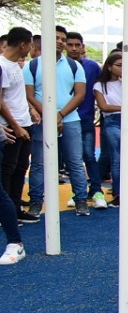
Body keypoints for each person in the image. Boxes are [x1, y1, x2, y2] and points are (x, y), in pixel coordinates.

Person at [24, 24, 90, 217]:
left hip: (70, 120)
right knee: (38, 163)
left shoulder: (75, 65)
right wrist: (49, 116)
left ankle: (81, 201)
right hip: (42, 121)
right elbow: (29, 95)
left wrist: (59, 116)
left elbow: (80, 94)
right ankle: (36, 201)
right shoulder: (32, 65)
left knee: (75, 162)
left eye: (63, 39)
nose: (60, 42)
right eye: (57, 38)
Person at [0, 28, 32, 262]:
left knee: (17, 170)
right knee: (9, 172)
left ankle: (14, 236)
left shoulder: (13, 66)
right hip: (13, 126)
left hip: (19, 124)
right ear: (23, 44)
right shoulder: (3, 66)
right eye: (30, 44)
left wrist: (26, 117)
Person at [65, 32, 105, 209]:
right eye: (70, 44)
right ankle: (78, 192)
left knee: (89, 155)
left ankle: (96, 191)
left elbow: (104, 85)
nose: (74, 48)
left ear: (83, 47)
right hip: (64, 119)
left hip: (86, 118)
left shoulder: (92, 66)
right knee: (72, 159)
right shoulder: (58, 66)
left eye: (77, 45)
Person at [92, 52, 124, 207]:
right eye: (119, 65)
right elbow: (103, 106)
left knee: (125, 158)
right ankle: (118, 193)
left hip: (127, 121)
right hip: (112, 122)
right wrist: (125, 107)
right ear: (110, 67)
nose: (123, 68)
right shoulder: (99, 85)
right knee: (117, 159)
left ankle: (124, 192)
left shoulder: (125, 82)